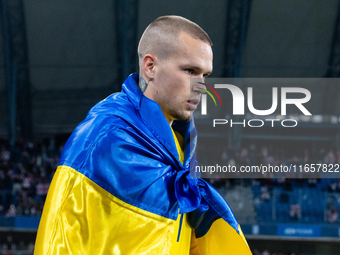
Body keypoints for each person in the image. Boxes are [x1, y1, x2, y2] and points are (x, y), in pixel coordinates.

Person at [34, 15, 251, 254]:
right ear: (150, 67)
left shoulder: (181, 149)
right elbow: (58, 238)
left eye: (205, 75)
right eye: (190, 70)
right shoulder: (101, 137)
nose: (201, 87)